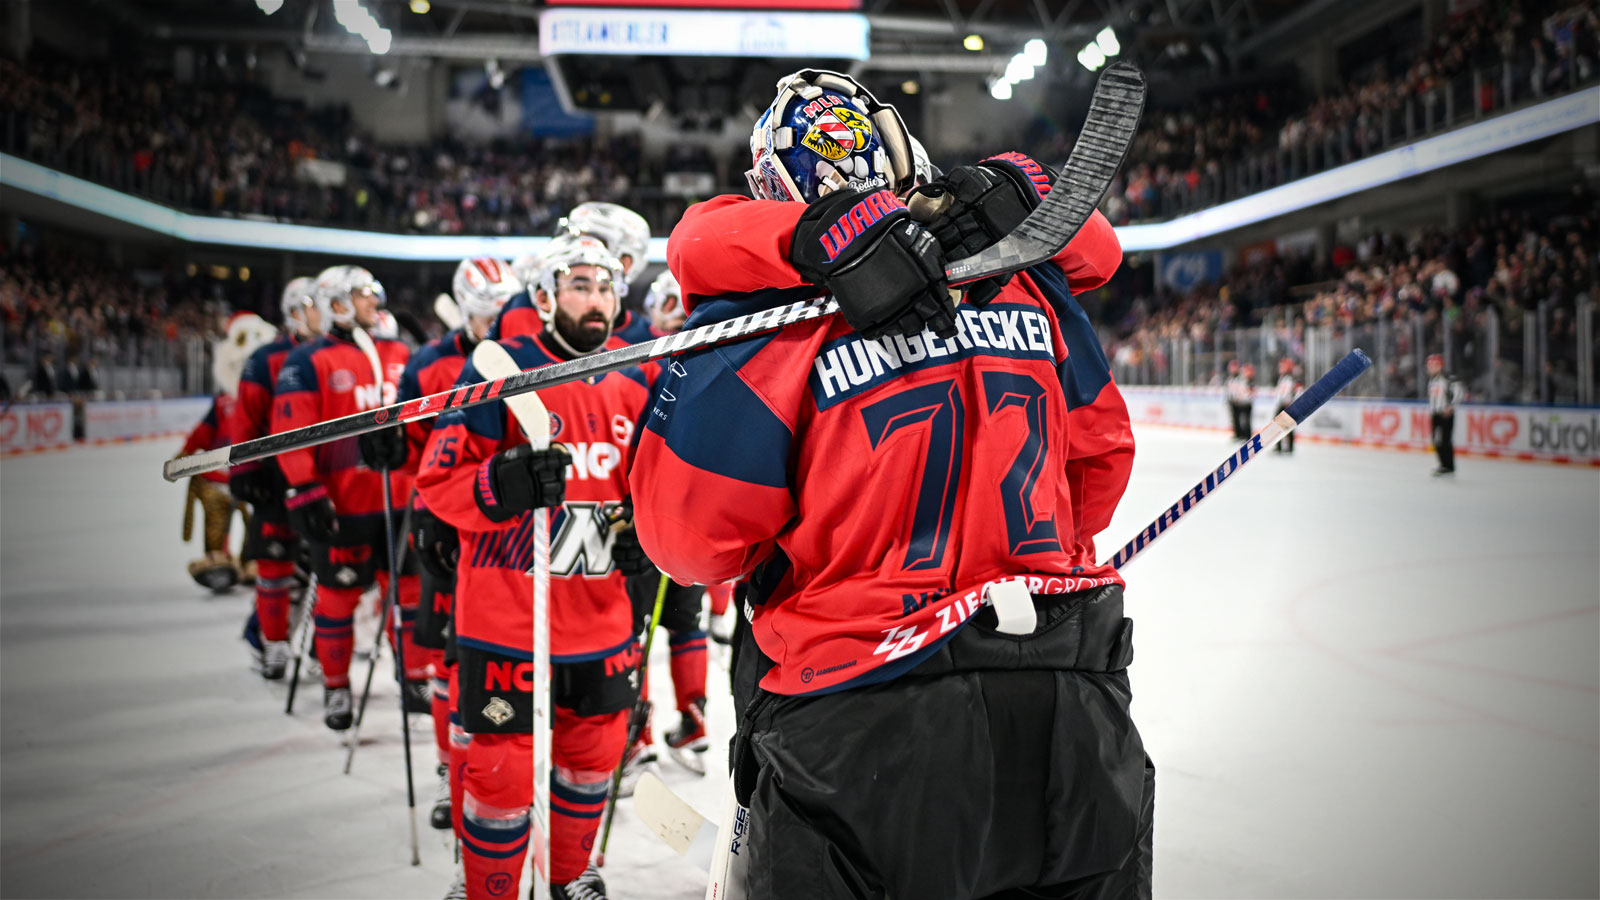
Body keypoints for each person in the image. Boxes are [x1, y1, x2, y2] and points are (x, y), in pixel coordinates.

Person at [630, 68, 1151, 899]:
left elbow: (686, 544)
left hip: (861, 720)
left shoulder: (765, 326)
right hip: (1071, 706)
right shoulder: (1028, 285)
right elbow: (1101, 464)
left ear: (772, 190)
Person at [416, 240, 656, 900]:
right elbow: (436, 481)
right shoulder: (498, 371)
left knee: (591, 764)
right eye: (581, 285)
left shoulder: (638, 378)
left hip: (603, 622)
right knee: (500, 777)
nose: (597, 300)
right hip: (506, 623)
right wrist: (499, 483)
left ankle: (569, 874)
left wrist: (649, 539)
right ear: (545, 297)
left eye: (607, 288)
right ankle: (486, 886)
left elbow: (659, 492)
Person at [397, 257, 523, 834]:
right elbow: (413, 445)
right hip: (448, 529)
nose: (491, 320)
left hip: (508, 545)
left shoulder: (526, 353)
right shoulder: (427, 363)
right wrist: (387, 450)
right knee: (452, 665)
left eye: (499, 309)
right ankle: (451, 771)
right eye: (481, 311)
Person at [272, 265, 425, 731]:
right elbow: (291, 431)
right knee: (339, 596)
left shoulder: (399, 351)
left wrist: (412, 450)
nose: (373, 301)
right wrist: (304, 487)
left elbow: (422, 416)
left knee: (411, 595)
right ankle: (337, 686)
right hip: (343, 506)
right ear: (336, 302)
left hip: (399, 500)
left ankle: (414, 676)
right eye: (361, 295)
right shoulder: (308, 360)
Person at [226, 278, 321, 677]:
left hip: (325, 477)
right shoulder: (265, 358)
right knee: (276, 564)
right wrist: (245, 467)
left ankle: (320, 646)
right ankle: (271, 642)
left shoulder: (335, 351)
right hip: (275, 478)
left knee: (324, 569)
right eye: (318, 305)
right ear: (297, 310)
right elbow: (246, 416)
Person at [180, 312, 278, 594]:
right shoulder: (223, 402)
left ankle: (252, 560)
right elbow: (204, 429)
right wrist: (186, 451)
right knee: (217, 521)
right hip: (219, 473)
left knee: (257, 520)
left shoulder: (265, 400)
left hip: (254, 469)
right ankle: (218, 558)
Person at [494, 202, 650, 342]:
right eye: (569, 237)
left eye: (587, 242)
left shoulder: (646, 338)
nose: (572, 248)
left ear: (625, 263)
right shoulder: (527, 308)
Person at [1427, 353, 1463, 475]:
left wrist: (1451, 407)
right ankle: (1443, 464)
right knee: (1436, 440)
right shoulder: (1432, 380)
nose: (1431, 367)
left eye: (1434, 365)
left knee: (1444, 440)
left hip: (1444, 414)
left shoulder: (1447, 378)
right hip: (1435, 414)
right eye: (1430, 365)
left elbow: (1459, 392)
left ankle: (1448, 465)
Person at [1273, 356, 1303, 455]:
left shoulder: (1293, 378)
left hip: (1288, 405)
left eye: (1282, 366)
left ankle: (1288, 447)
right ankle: (1279, 446)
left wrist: (1292, 402)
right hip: (1281, 404)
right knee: (1277, 426)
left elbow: (1298, 391)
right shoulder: (1282, 378)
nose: (1280, 368)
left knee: (1288, 427)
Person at [1225, 359, 1253, 439]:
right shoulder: (1232, 379)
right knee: (1237, 419)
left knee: (1245, 421)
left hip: (1245, 402)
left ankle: (1246, 436)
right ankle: (1240, 435)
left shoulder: (1245, 380)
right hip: (1237, 401)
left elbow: (1248, 391)